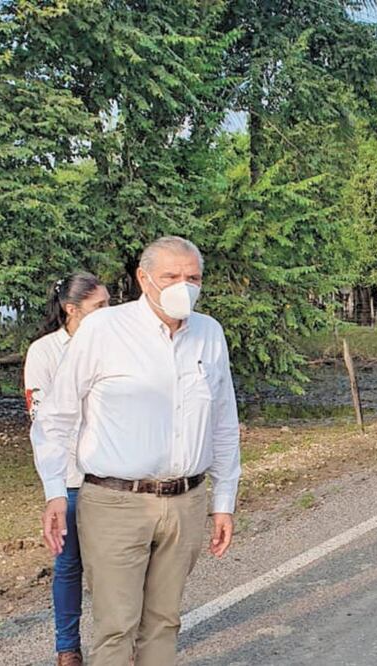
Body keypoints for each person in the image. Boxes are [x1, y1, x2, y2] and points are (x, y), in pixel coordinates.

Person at [31, 236, 241, 665]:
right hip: (115, 503)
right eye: (171, 276)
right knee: (116, 626)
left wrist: (224, 501)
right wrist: (54, 491)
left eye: (193, 278)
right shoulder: (104, 330)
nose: (184, 287)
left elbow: (222, 422)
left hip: (185, 501)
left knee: (164, 622)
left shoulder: (209, 333)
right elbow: (56, 417)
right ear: (144, 279)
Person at [24, 272, 109, 665]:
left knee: (116, 566)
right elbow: (42, 421)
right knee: (69, 564)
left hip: (114, 476)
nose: (107, 311)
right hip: (72, 477)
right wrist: (53, 487)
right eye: (99, 305)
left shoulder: (115, 344)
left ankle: (119, 642)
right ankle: (67, 647)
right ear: (71, 309)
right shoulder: (44, 353)